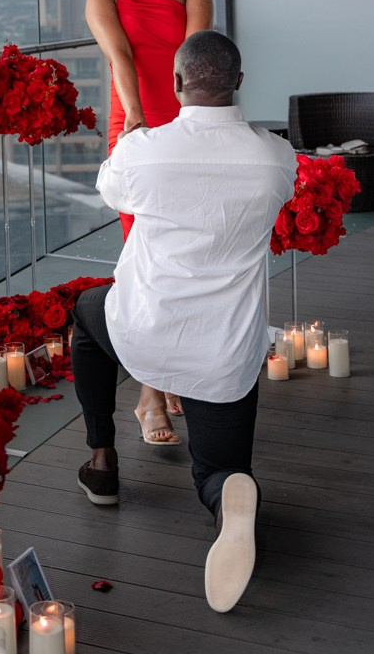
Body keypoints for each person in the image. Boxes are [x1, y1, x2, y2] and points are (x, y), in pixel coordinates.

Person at [70, 31, 297, 613]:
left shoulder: (146, 150)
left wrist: (130, 140)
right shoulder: (275, 156)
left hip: (141, 330)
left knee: (85, 317)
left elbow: (111, 191)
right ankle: (227, 498)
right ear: (240, 83)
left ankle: (103, 462)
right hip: (224, 354)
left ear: (176, 84)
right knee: (217, 471)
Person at [85, 0, 213, 445]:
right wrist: (137, 120)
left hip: (187, 123)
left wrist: (192, 124)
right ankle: (149, 394)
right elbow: (120, 55)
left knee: (184, 255)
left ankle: (169, 371)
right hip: (136, 124)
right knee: (144, 259)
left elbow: (198, 56)